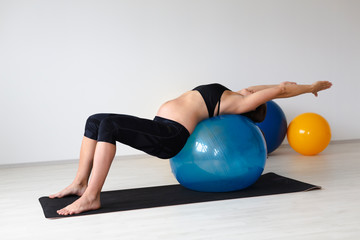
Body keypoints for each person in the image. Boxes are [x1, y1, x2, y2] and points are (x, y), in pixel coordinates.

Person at [50, 80, 332, 215]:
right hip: (160, 127)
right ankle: (79, 183)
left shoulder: (239, 104)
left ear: (254, 105)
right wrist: (292, 86)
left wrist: (310, 87)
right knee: (95, 121)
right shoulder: (240, 93)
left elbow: (281, 89)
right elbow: (273, 85)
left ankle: (92, 196)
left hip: (170, 136)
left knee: (108, 125)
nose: (254, 90)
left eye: (256, 95)